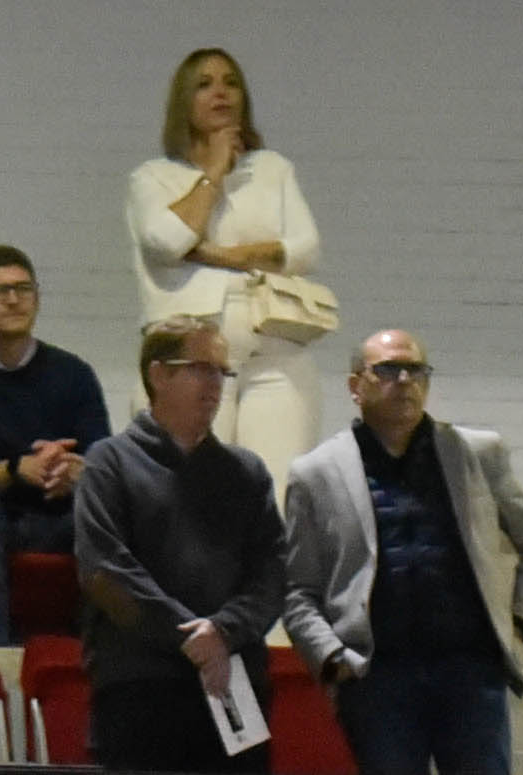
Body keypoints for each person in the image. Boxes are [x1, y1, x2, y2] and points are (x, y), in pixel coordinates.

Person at [276, 332, 523, 775]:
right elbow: (296, 587)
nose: (403, 381)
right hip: (377, 679)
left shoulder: (477, 454)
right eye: (387, 370)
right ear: (355, 385)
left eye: (415, 370)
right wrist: (330, 657)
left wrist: (519, 620)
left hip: (470, 673)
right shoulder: (316, 473)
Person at [76, 320, 289, 775]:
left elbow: (271, 572)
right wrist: (193, 639)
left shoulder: (245, 472)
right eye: (200, 369)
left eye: (221, 373)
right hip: (140, 681)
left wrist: (224, 632)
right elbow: (105, 569)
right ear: (158, 374)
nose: (215, 385)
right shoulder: (110, 462)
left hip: (233, 679)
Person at [121, 49, 322, 479]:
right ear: (184, 101)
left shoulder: (272, 169)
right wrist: (213, 171)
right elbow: (167, 241)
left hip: (275, 349)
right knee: (190, 489)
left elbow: (305, 249)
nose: (221, 93)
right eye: (205, 84)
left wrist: (219, 255)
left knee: (277, 490)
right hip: (188, 355)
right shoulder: (153, 178)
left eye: (231, 82)